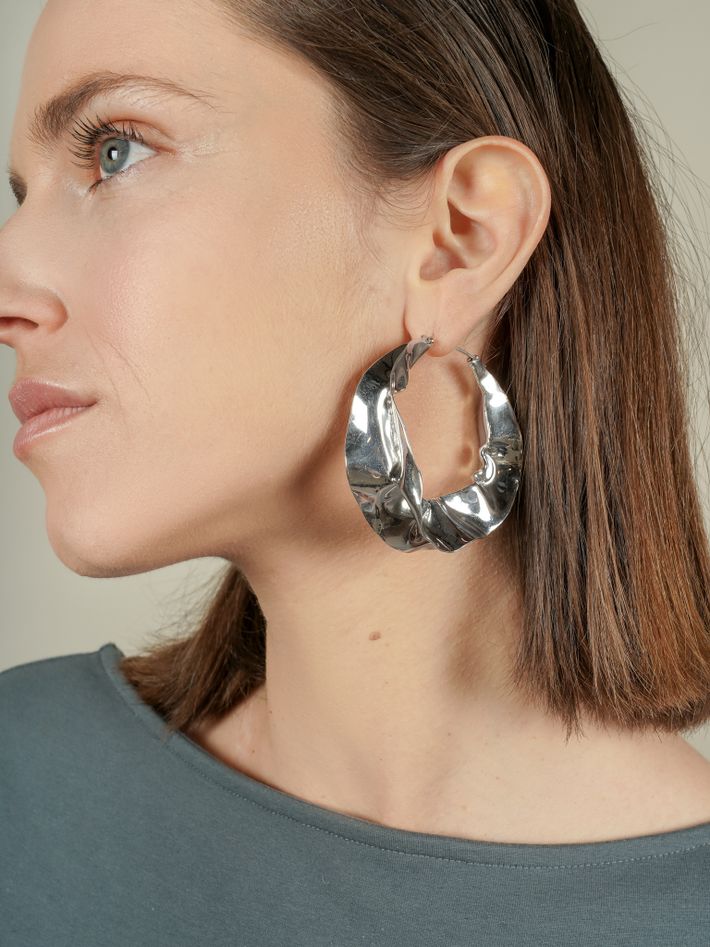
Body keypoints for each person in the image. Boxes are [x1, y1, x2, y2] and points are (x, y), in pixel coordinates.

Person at [1, 0, 709, 943]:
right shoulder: (22, 791)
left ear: (461, 237)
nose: (10, 286)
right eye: (23, 194)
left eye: (116, 151)